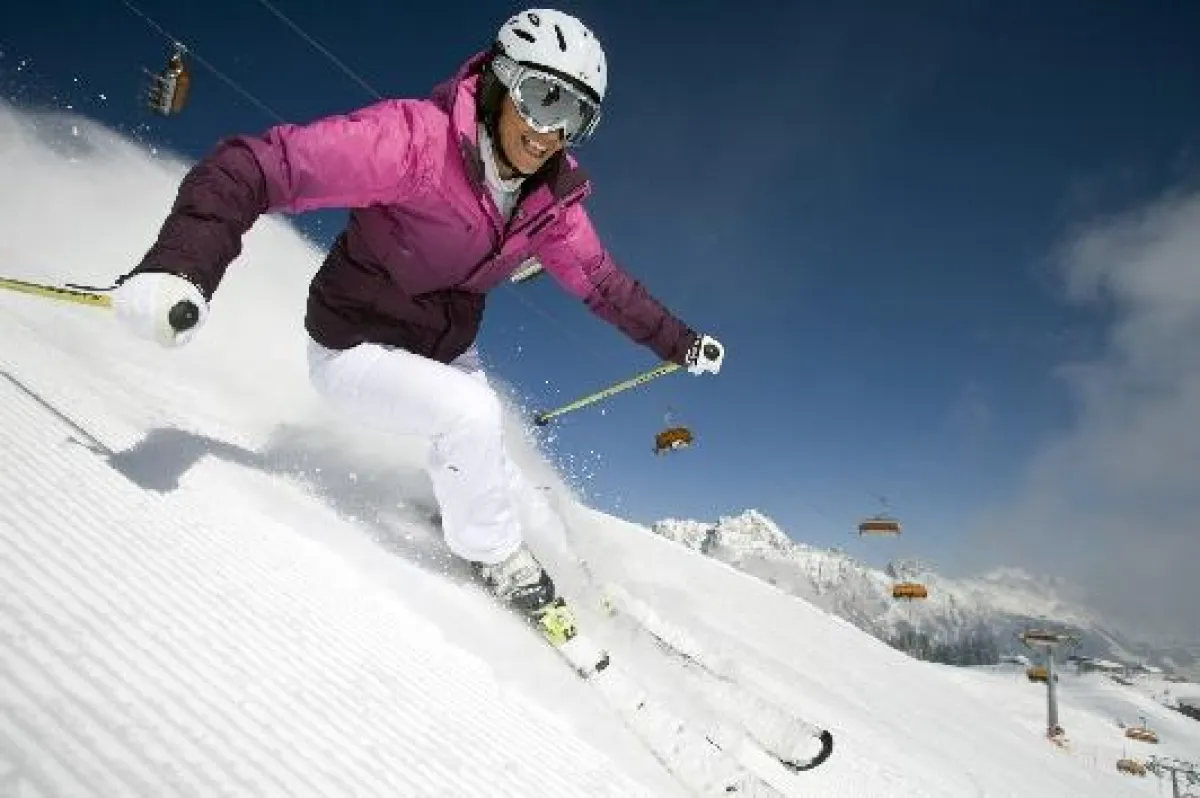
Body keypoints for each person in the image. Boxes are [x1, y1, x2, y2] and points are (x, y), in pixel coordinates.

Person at [111, 8, 725, 623]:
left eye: (576, 117)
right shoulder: (413, 142)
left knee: (514, 485)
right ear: (500, 81)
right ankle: (496, 556)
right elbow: (256, 167)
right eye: (543, 99)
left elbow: (605, 285)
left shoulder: (550, 205)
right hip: (352, 346)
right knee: (470, 416)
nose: (551, 133)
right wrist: (181, 266)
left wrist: (681, 342)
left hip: (445, 350)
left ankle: (580, 585)